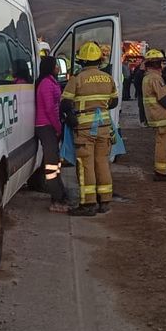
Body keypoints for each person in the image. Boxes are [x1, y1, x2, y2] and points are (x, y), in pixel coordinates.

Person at [61, 42, 119, 216]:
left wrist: (72, 116)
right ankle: (105, 200)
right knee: (102, 163)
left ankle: (88, 204)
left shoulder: (77, 79)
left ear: (82, 61)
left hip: (85, 130)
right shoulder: (107, 78)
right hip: (104, 128)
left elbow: (65, 103)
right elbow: (114, 102)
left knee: (86, 165)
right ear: (99, 60)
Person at [35, 56, 69, 213]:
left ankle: (60, 194)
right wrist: (58, 127)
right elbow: (49, 108)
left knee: (55, 162)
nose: (58, 68)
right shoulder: (46, 84)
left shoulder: (49, 81)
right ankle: (56, 198)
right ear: (50, 67)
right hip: (47, 126)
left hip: (49, 125)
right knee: (51, 164)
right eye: (56, 65)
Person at [142, 50, 166, 181]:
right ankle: (161, 171)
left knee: (164, 141)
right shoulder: (155, 78)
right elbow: (164, 98)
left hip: (154, 115)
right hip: (161, 116)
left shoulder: (148, 77)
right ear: (158, 63)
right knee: (164, 143)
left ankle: (164, 168)